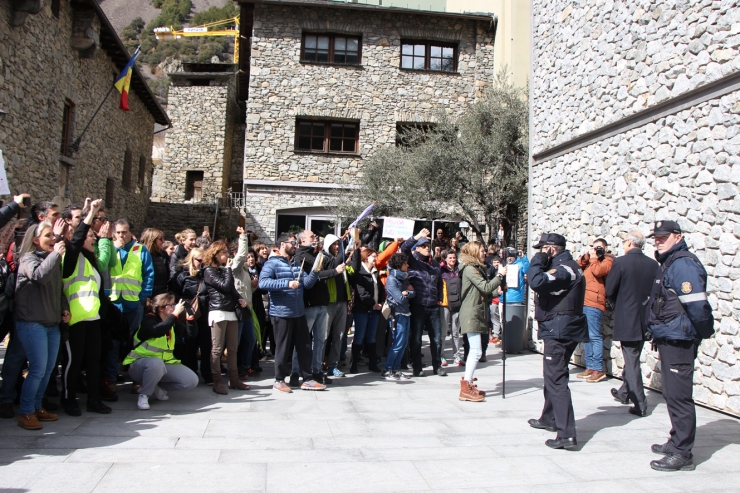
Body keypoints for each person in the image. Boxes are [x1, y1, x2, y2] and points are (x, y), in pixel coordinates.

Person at [645, 220, 713, 472]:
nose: (658, 240)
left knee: (679, 396)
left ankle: (682, 452)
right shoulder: (670, 262)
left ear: (678, 236)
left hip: (679, 339)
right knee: (672, 394)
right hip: (670, 336)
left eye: (663, 237)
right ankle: (676, 440)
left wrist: (702, 332)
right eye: (656, 237)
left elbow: (697, 305)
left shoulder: (683, 264)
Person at [526, 233, 587, 450]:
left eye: (542, 249)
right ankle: (549, 418)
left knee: (556, 380)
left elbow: (536, 281)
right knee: (552, 375)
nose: (539, 253)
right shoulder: (568, 266)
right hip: (561, 327)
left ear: (551, 249)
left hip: (559, 330)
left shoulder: (564, 268)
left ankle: (566, 434)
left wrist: (538, 261)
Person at [59, 199, 112, 416]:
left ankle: (93, 399)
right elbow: (79, 235)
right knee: (73, 362)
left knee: (93, 361)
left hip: (93, 320)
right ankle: (69, 399)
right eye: (91, 236)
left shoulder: (91, 262)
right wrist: (90, 213)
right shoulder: (70, 258)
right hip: (75, 320)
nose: (94, 239)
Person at [14, 220, 68, 430]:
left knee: (47, 370)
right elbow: (38, 277)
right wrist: (55, 254)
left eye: (53, 236)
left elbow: (58, 289)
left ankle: (37, 407)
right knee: (37, 369)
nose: (53, 239)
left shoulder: (52, 259)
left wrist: (63, 307)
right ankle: (26, 412)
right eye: (48, 236)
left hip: (51, 323)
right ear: (35, 240)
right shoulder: (28, 259)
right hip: (32, 323)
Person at [258, 232, 324, 392]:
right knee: (283, 348)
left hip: (298, 312)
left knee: (305, 346)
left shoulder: (296, 263)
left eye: (296, 244)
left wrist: (315, 271)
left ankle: (307, 379)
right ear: (282, 244)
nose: (295, 246)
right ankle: (279, 380)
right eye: (293, 243)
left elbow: (307, 284)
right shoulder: (271, 264)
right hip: (281, 313)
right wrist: (286, 283)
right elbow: (263, 283)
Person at [605, 231, 658, 418]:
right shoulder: (653, 264)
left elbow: (610, 289)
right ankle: (625, 391)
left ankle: (640, 402)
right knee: (633, 356)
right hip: (646, 318)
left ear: (629, 243)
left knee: (632, 359)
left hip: (627, 317)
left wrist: (617, 303)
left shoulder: (620, 262)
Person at [104, 219, 155, 399]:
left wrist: (143, 297)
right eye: (117, 232)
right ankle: (110, 379)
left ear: (130, 233)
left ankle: (136, 378)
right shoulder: (109, 248)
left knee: (135, 342)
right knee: (112, 343)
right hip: (114, 303)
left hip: (133, 303)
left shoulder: (140, 249)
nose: (121, 236)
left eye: (124, 232)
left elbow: (148, 273)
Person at [122, 293, 199, 410]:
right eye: (171, 304)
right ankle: (144, 394)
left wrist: (190, 318)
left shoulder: (171, 321)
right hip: (139, 366)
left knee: (191, 381)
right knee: (155, 363)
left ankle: (156, 385)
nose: (175, 307)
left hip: (163, 365)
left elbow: (189, 334)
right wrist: (175, 315)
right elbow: (158, 331)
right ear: (161, 308)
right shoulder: (148, 320)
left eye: (175, 304)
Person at [291, 230, 345, 385]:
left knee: (320, 340)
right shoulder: (301, 257)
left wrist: (341, 246)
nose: (315, 238)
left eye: (315, 236)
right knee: (302, 340)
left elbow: (331, 264)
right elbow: (317, 275)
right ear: (302, 240)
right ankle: (295, 372)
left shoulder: (315, 254)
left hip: (322, 302)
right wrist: (334, 271)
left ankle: (317, 371)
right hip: (309, 304)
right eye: (312, 237)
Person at [457, 241, 506, 401]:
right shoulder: (470, 269)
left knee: (475, 350)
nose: (485, 253)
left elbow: (481, 293)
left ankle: (468, 384)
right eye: (482, 251)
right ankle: (466, 386)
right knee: (476, 351)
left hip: (476, 312)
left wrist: (496, 293)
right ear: (474, 253)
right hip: (471, 313)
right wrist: (499, 275)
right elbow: (485, 287)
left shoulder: (476, 268)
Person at [202, 240, 249, 395]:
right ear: (214, 254)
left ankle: (234, 379)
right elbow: (225, 286)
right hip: (218, 311)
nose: (226, 255)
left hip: (230, 311)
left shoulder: (223, 270)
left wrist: (239, 298)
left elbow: (231, 290)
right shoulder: (209, 271)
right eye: (223, 252)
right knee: (216, 349)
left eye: (226, 252)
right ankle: (216, 381)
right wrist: (229, 269)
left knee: (233, 348)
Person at [401, 228, 447, 377]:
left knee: (437, 339)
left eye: (429, 246)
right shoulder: (412, 261)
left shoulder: (434, 264)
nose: (428, 248)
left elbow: (439, 282)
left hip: (433, 305)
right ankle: (417, 367)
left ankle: (437, 366)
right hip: (418, 305)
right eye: (424, 246)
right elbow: (404, 248)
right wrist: (417, 237)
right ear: (418, 248)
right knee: (416, 339)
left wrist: (439, 297)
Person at [170, 248, 211, 384]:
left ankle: (207, 374)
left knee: (206, 345)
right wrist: (187, 307)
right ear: (191, 260)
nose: (201, 263)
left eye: (203, 261)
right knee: (190, 345)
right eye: (199, 260)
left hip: (205, 313)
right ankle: (191, 372)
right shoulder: (183, 275)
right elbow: (174, 293)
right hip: (190, 313)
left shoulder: (206, 274)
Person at [577, 238, 614, 383]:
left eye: (599, 248)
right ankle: (590, 366)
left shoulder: (608, 260)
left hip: (595, 302)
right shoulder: (590, 260)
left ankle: (598, 368)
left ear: (605, 249)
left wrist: (594, 258)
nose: (596, 250)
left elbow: (599, 272)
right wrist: (587, 255)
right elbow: (578, 265)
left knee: (594, 335)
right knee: (586, 336)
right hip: (584, 301)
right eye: (594, 247)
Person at [348, 245, 385, 374]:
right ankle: (354, 364)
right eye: (373, 256)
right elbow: (361, 292)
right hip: (362, 309)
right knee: (359, 336)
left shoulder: (375, 271)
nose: (376, 259)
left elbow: (379, 289)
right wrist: (373, 304)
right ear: (365, 258)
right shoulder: (359, 273)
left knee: (371, 336)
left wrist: (379, 302)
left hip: (375, 309)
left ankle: (373, 363)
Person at [230, 227, 261, 379]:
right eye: (246, 257)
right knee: (235, 343)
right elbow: (241, 256)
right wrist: (243, 237)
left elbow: (246, 291)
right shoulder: (235, 268)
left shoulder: (246, 271)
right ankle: (234, 370)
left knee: (250, 340)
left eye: (251, 257)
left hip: (247, 310)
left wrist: (254, 287)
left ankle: (245, 366)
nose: (249, 259)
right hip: (237, 311)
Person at [382, 252, 414, 380]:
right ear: (399, 264)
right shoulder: (391, 279)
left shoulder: (404, 277)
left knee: (404, 342)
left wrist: (407, 293)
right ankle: (387, 369)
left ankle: (396, 369)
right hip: (397, 314)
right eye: (405, 263)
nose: (407, 265)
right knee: (398, 342)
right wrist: (406, 293)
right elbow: (400, 298)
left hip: (406, 312)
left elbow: (413, 292)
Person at [323, 234, 351, 378]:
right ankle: (318, 364)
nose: (336, 247)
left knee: (339, 335)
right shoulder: (324, 258)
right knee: (324, 335)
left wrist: (355, 249)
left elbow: (355, 266)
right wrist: (344, 251)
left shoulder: (340, 259)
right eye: (334, 245)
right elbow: (332, 267)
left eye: (337, 245)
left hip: (341, 302)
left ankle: (333, 365)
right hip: (329, 303)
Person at [440, 250, 464, 366]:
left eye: (454, 258)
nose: (452, 260)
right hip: (444, 304)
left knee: (456, 332)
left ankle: (457, 355)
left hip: (456, 303)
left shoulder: (459, 270)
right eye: (450, 258)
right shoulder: (441, 270)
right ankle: (441, 355)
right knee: (443, 332)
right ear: (445, 259)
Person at [140, 228, 169, 297]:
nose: (163, 241)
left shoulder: (163, 255)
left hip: (161, 294)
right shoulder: (140, 254)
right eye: (160, 239)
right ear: (151, 240)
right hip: (146, 295)